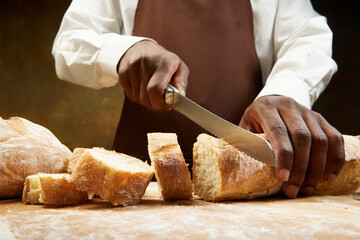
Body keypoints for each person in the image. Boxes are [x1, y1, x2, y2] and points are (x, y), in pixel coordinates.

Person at [52, 0, 345, 199]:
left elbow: (308, 36)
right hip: (139, 191)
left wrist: (285, 89)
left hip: (250, 185)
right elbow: (70, 40)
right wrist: (121, 51)